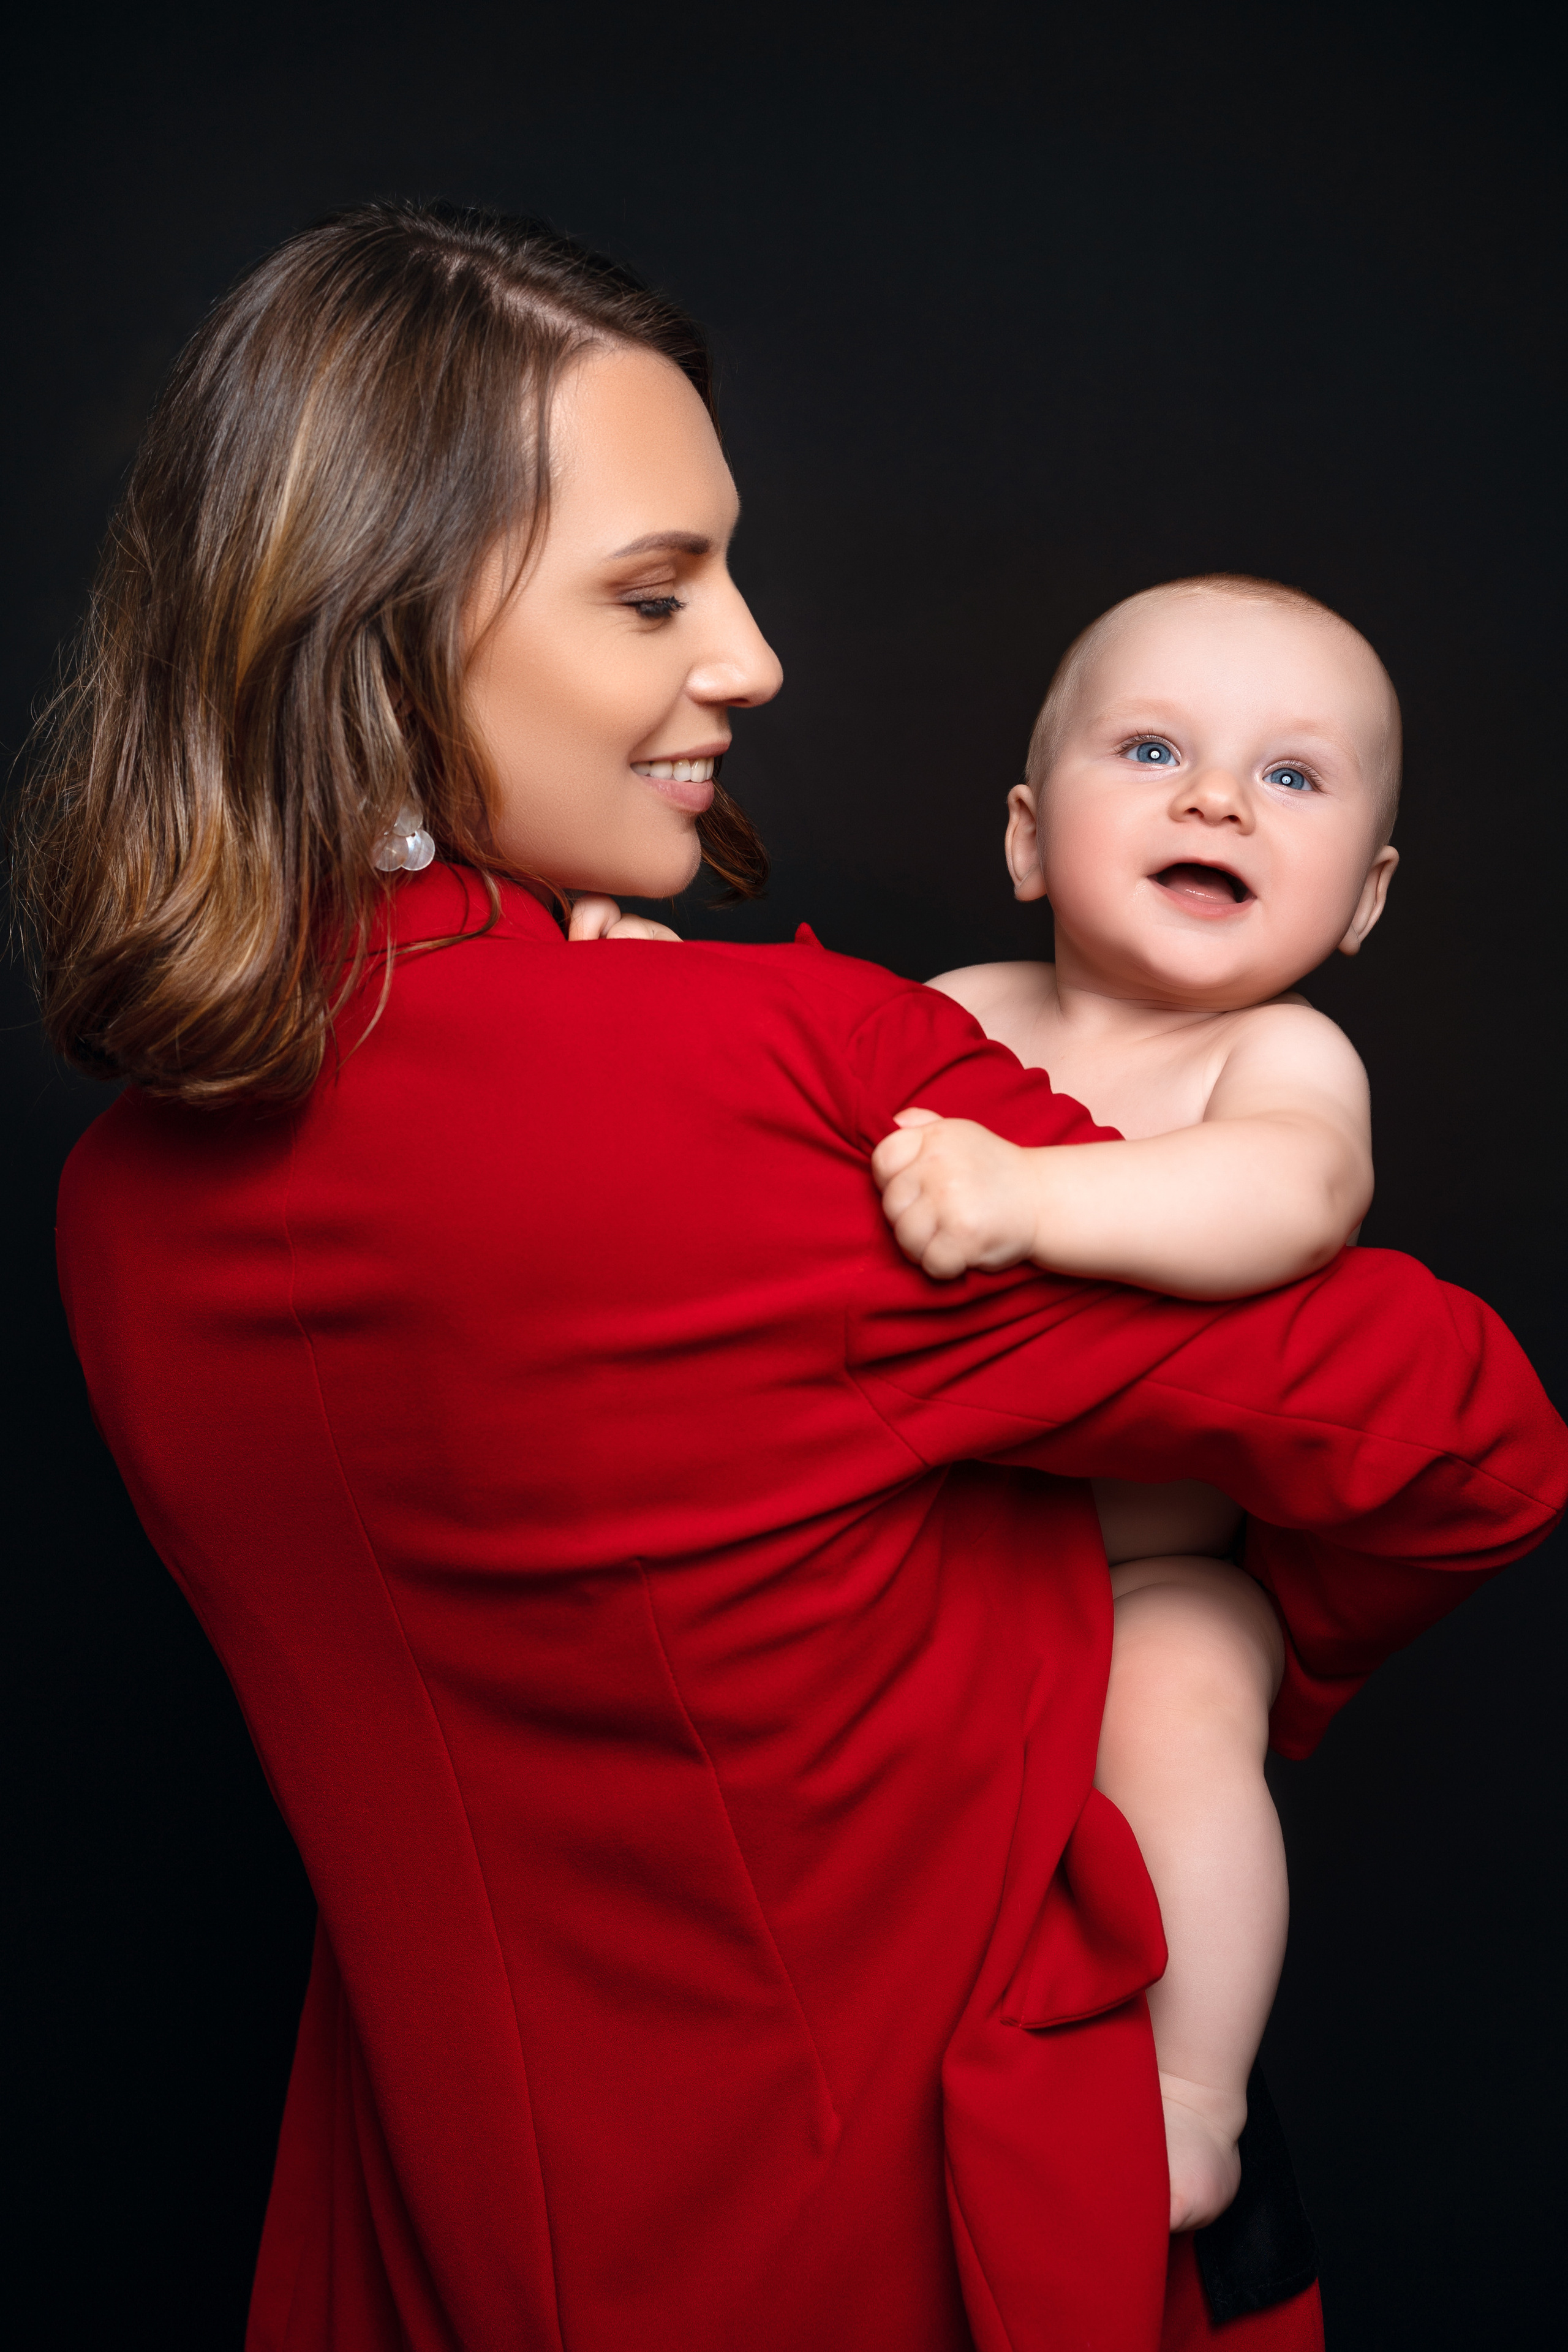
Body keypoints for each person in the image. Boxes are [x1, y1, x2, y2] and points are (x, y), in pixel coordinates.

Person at [14, 202, 1564, 2352]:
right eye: (655, 593)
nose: (750, 659)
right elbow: (1462, 1440)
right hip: (919, 2228)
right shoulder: (772, 1073)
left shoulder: (121, 1203)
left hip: (435, 2244)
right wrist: (1171, 1647)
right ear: (376, 637)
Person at [866, 575, 1400, 2233]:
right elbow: (761, 1123)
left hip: (1147, 1572)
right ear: (1030, 839)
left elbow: (1287, 1199)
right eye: (1154, 747)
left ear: (1365, 899)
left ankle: (1189, 2093)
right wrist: (633, 994)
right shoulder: (946, 1013)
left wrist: (1029, 1201)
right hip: (932, 1551)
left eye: (1293, 776)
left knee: (1181, 1702)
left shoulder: (1276, 1057)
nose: (1218, 797)